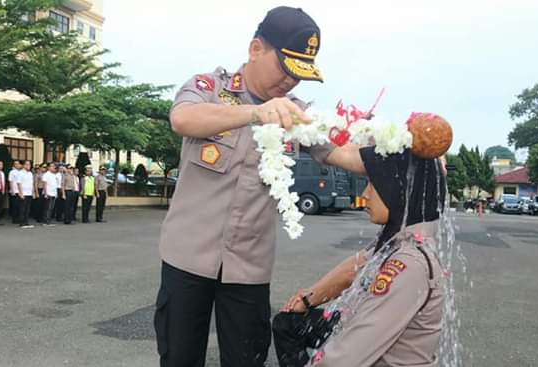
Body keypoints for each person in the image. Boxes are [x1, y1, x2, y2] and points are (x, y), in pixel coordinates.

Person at [154, 7, 363, 367]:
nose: (290, 83)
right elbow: (183, 118)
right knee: (178, 358)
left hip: (248, 268)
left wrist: (406, 150)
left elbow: (343, 153)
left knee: (246, 360)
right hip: (186, 259)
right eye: (285, 68)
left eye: (299, 76)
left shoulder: (296, 115)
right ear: (255, 49)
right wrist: (255, 114)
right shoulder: (209, 88)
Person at [272, 148, 446, 367]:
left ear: (399, 190)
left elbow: (343, 359)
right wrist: (307, 299)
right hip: (363, 327)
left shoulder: (407, 264)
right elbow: (355, 267)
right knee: (288, 324)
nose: (364, 194)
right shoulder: (400, 238)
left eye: (373, 184)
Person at [17, 160, 35, 229]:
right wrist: (21, 193)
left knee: (27, 209)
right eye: (27, 164)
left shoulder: (30, 173)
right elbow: (19, 183)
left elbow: (32, 184)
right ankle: (22, 223)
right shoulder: (20, 173)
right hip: (23, 193)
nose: (28, 166)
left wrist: (33, 192)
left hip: (29, 193)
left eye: (29, 165)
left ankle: (26, 222)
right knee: (22, 208)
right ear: (24, 165)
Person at [41, 163, 59, 227]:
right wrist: (45, 193)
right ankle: (45, 221)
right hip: (48, 193)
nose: (54, 167)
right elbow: (44, 184)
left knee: (51, 208)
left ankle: (48, 220)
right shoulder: (46, 175)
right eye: (52, 166)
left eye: (54, 166)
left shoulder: (54, 175)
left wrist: (56, 193)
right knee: (47, 208)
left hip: (53, 193)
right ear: (48, 167)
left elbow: (55, 185)